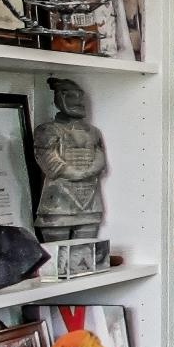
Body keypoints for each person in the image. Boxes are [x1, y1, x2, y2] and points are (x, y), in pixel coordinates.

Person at [35, 77, 107, 241]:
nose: (79, 103)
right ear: (61, 100)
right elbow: (48, 159)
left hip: (90, 203)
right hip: (58, 204)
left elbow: (99, 156)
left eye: (80, 98)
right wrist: (73, 172)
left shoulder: (94, 131)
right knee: (56, 258)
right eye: (72, 98)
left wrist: (89, 171)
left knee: (86, 256)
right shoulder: (47, 129)